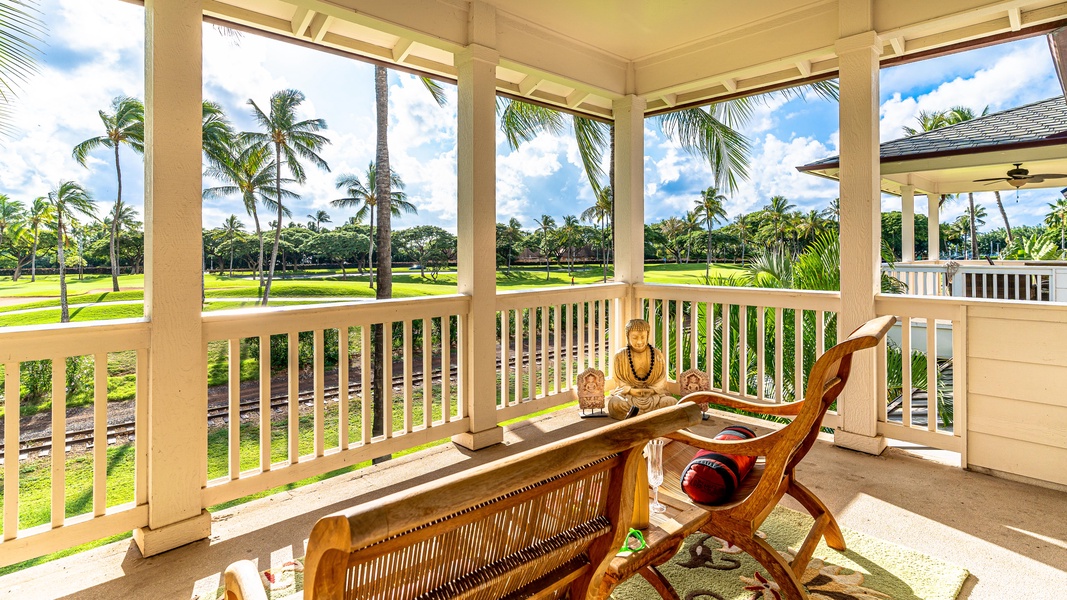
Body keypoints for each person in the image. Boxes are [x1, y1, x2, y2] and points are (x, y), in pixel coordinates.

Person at [606, 318, 676, 420]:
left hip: (653, 397)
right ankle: (651, 417)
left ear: (647, 336)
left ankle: (635, 416)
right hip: (629, 396)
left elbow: (661, 380)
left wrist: (652, 391)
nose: (639, 342)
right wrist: (631, 390)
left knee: (671, 402)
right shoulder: (620, 356)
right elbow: (619, 381)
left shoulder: (657, 354)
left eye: (643, 337)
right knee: (615, 403)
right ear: (628, 337)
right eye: (634, 337)